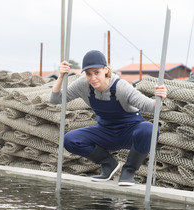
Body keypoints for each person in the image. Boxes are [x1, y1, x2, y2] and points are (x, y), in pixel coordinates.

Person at [49, 50, 167, 186]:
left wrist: (160, 98)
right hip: (105, 132)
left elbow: (149, 106)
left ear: (105, 69)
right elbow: (55, 99)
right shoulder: (83, 85)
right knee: (70, 139)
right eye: (88, 74)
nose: (93, 78)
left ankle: (128, 171)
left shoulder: (121, 86)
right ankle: (109, 164)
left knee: (149, 129)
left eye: (96, 72)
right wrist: (62, 76)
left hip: (130, 132)